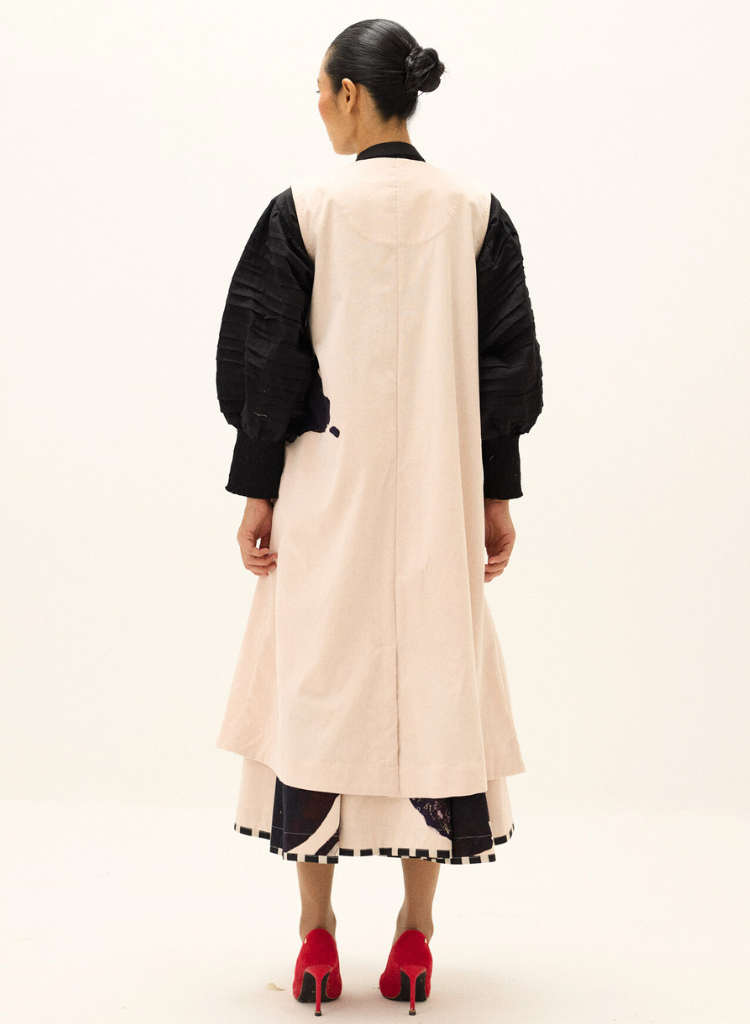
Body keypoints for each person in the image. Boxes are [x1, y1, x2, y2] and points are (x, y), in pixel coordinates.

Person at [214, 18, 543, 1015]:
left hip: (327, 493)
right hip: (439, 496)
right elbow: (503, 370)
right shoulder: (475, 212)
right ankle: (415, 938)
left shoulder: (305, 210)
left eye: (321, 91)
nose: (318, 108)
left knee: (319, 684)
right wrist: (493, 494)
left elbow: (265, 364)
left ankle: (316, 937)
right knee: (432, 683)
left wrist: (260, 489)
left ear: (352, 96)